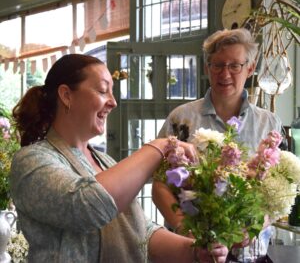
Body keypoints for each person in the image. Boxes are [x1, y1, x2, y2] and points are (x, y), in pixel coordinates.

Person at [10, 54, 228, 263]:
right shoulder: (31, 161)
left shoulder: (104, 161)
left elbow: (142, 233)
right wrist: (160, 147)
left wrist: (195, 252)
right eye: (103, 91)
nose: (113, 102)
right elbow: (89, 206)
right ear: (67, 95)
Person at [152, 28, 286, 263]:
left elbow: (281, 192)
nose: (225, 73)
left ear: (250, 68)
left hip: (251, 255)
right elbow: (160, 186)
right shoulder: (181, 119)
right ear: (207, 68)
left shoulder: (269, 123)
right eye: (218, 65)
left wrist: (255, 225)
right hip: (191, 252)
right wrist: (188, 228)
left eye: (235, 65)